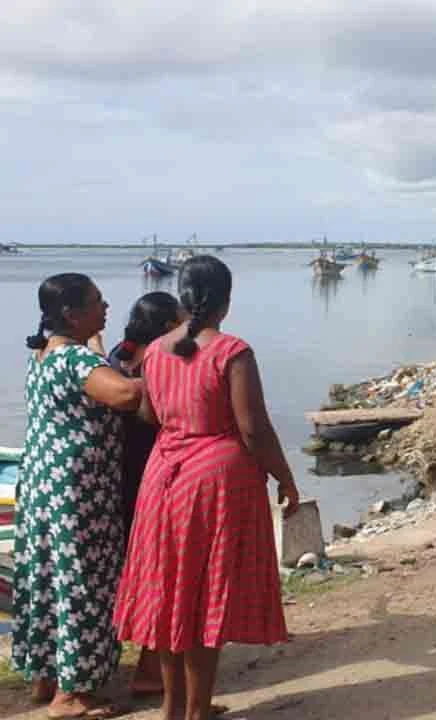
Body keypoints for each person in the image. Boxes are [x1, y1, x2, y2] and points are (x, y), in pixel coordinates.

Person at [114, 256, 301, 720]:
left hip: (163, 476)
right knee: (203, 598)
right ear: (226, 301)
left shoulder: (154, 351)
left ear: (182, 297)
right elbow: (253, 428)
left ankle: (172, 708)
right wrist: (285, 477)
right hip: (214, 481)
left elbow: (150, 415)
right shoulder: (232, 351)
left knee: (170, 592)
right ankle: (196, 711)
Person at [13, 274, 142, 719]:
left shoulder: (42, 355)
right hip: (79, 492)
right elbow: (124, 395)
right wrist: (169, 374)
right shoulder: (75, 360)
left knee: (48, 580)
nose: (106, 307)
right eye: (97, 301)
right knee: (82, 583)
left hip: (43, 485)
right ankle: (72, 695)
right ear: (71, 313)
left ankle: (46, 676)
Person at [107, 292, 183, 698]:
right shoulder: (162, 361)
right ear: (169, 326)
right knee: (162, 572)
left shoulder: (117, 358)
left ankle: (142, 660)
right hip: (154, 478)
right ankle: (151, 668)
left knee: (134, 571)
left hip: (117, 479)